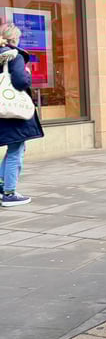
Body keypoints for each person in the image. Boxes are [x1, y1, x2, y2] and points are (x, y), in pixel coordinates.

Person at [0, 22, 44, 206]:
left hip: (2, 109)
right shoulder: (15, 56)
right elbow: (19, 81)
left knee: (13, 148)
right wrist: (27, 74)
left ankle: (2, 185)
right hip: (13, 112)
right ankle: (9, 193)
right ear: (15, 38)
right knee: (16, 150)